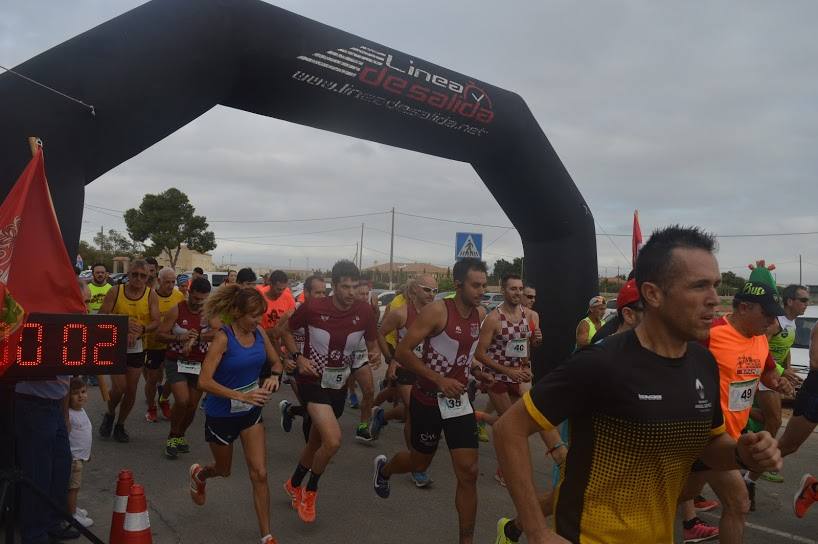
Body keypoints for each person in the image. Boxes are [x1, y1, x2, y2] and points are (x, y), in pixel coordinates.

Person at [493, 226, 782, 544]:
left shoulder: (703, 363)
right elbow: (509, 429)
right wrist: (536, 531)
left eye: (714, 285)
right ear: (654, 294)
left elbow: (710, 447)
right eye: (699, 286)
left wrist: (743, 453)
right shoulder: (601, 363)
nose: (714, 299)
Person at [372, 258, 494, 544]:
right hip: (428, 398)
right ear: (459, 284)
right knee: (419, 462)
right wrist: (438, 379)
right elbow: (403, 351)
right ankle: (385, 469)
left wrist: (478, 372)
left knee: (469, 472)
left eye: (484, 285)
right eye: (476, 285)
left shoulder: (480, 314)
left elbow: (466, 354)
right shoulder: (437, 311)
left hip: (459, 401)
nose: (481, 291)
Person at [678, 276, 795, 543]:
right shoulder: (711, 333)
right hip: (702, 436)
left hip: (730, 438)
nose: (771, 322)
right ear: (744, 308)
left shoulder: (760, 339)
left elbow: (765, 374)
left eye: (774, 316)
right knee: (727, 500)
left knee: (728, 502)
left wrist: (779, 382)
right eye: (766, 314)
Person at [281, 260, 379, 523]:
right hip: (311, 379)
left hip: (338, 384)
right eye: (345, 287)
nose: (350, 292)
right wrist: (297, 357)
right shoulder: (313, 307)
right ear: (333, 286)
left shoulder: (365, 311)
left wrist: (376, 352)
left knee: (315, 443)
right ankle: (309, 492)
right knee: (333, 441)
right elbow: (285, 331)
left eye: (354, 286)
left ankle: (293, 483)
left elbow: (372, 342)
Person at [188, 284, 284, 544]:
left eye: (260, 315)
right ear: (237, 313)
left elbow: (276, 363)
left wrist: (274, 378)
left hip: (250, 414)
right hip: (221, 415)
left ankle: (266, 535)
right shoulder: (223, 338)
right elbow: (204, 382)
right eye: (253, 315)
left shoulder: (260, 333)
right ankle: (200, 475)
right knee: (223, 469)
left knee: (260, 473)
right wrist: (241, 395)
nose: (258, 320)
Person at [12, 279, 90, 544]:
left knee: (61, 468)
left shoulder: (73, 330)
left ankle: (52, 521)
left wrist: (65, 415)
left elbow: (65, 381)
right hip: (33, 407)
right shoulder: (47, 327)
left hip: (55, 409)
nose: (87, 308)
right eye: (84, 302)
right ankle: (34, 534)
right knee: (38, 474)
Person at [371, 275, 437, 487]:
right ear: (415, 289)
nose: (432, 295)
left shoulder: (436, 313)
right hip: (405, 369)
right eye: (427, 290)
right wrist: (391, 359)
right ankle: (416, 466)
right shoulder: (401, 313)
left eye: (434, 291)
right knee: (413, 411)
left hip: (427, 370)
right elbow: (380, 333)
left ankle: (382, 415)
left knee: (413, 412)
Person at [748, 283, 808, 484]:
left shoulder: (791, 323)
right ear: (790, 301)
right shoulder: (777, 322)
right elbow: (761, 347)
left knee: (769, 419)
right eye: (803, 300)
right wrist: (781, 370)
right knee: (774, 421)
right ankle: (760, 464)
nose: (806, 304)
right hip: (765, 375)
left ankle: (740, 412)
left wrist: (788, 368)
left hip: (776, 375)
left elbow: (786, 347)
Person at [98, 259, 160, 443]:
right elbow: (101, 316)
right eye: (134, 274)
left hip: (138, 347)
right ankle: (110, 413)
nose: (138, 279)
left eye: (143, 275)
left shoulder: (151, 295)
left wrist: (142, 329)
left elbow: (156, 322)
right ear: (128, 274)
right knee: (119, 388)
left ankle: (120, 424)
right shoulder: (115, 291)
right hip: (115, 346)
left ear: (148, 276)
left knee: (131, 391)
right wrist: (123, 323)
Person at [157, 276, 214, 458]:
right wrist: (179, 338)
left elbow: (220, 332)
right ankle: (172, 436)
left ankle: (181, 435)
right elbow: (160, 335)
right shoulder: (177, 310)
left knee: (191, 405)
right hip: (176, 361)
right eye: (196, 298)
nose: (199, 303)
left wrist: (199, 338)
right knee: (182, 400)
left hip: (199, 363)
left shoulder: (210, 313)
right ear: (189, 292)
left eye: (203, 299)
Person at [278, 275, 326, 439]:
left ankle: (290, 410)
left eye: (324, 293)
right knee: (310, 409)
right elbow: (278, 335)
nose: (321, 297)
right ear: (306, 292)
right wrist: (285, 358)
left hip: (315, 365)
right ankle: (310, 458)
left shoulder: (324, 314)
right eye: (317, 293)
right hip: (295, 364)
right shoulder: (293, 312)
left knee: (313, 408)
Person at [143, 267, 185, 423]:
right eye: (167, 282)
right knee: (153, 378)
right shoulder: (150, 296)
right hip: (153, 343)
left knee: (173, 376)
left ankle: (164, 399)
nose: (170, 285)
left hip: (172, 343)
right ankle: (151, 407)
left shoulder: (179, 295)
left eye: (173, 282)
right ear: (159, 281)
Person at [346, 279, 381, 442]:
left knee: (369, 391)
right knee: (333, 399)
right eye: (362, 293)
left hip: (360, 357)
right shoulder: (344, 307)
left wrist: (375, 352)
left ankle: (363, 427)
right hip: (341, 358)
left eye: (367, 294)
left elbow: (373, 333)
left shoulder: (368, 309)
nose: (364, 297)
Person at [67, 377, 93, 528]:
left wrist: (87, 453)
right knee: (73, 488)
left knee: (74, 488)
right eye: (75, 393)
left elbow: (84, 435)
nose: (81, 396)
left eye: (83, 392)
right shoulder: (69, 415)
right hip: (73, 460)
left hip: (80, 458)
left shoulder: (81, 410)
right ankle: (72, 516)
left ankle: (72, 508)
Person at [257, 269, 296, 344]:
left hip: (282, 343)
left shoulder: (288, 297)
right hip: (263, 341)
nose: (281, 292)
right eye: (278, 289)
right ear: (270, 284)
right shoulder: (260, 297)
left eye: (283, 289)